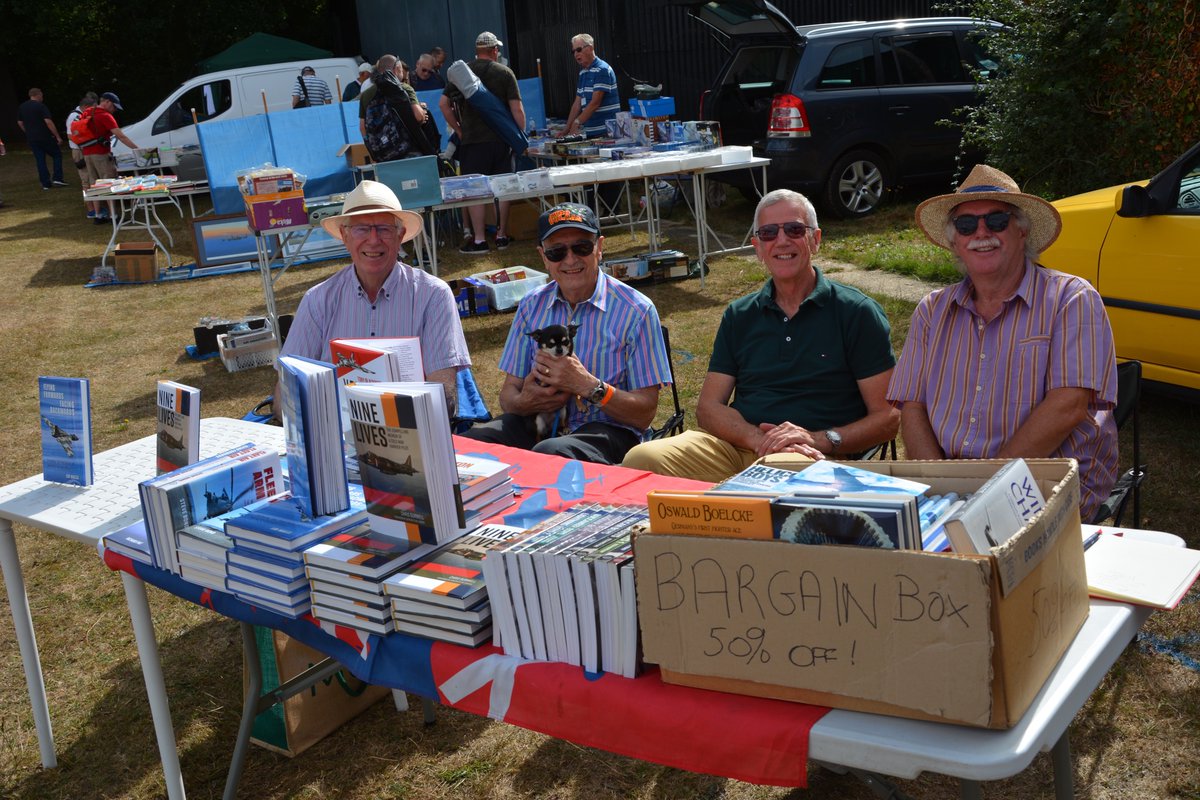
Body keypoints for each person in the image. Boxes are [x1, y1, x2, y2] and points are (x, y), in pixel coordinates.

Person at [886, 164, 1118, 521]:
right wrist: (939, 486)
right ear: (955, 242)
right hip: (952, 489)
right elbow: (912, 407)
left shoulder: (1071, 298)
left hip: (1043, 481)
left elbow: (1068, 406)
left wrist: (983, 493)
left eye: (997, 220)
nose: (982, 233)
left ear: (1022, 231)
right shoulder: (932, 310)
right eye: (966, 225)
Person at [622, 189, 900, 482]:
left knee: (779, 469)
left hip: (812, 456)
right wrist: (757, 439)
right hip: (739, 447)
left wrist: (820, 438)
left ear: (815, 240)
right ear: (757, 247)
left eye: (794, 229)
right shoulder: (740, 314)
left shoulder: (856, 312)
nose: (782, 240)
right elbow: (709, 408)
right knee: (641, 458)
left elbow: (888, 418)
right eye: (768, 233)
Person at [459, 202, 672, 465]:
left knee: (550, 455)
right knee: (468, 445)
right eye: (557, 252)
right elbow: (508, 396)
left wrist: (588, 386)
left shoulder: (636, 310)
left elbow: (644, 414)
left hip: (611, 430)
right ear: (543, 257)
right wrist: (526, 401)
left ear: (599, 248)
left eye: (582, 247)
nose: (570, 259)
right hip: (539, 422)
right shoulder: (531, 305)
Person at [277, 180, 470, 414]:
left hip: (412, 429)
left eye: (384, 228)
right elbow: (286, 390)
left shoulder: (433, 295)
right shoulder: (318, 300)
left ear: (400, 236)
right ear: (344, 236)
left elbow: (443, 391)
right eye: (361, 229)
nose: (373, 239)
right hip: (337, 434)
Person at [439, 31, 525, 254]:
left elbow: (443, 105)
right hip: (501, 141)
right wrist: (519, 135)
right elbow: (517, 109)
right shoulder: (505, 73)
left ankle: (478, 240)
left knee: (474, 191)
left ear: (477, 51)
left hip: (472, 142)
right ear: (494, 50)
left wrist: (459, 130)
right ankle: (502, 236)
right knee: (502, 188)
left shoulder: (461, 72)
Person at [358, 54, 436, 158]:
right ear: (397, 69)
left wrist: (375, 150)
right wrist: (422, 111)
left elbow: (362, 128)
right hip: (408, 152)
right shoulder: (405, 88)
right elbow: (418, 117)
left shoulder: (366, 95)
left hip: (384, 155)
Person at [80, 92, 138, 225]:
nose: (115, 110)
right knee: (108, 183)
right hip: (101, 154)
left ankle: (98, 215)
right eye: (114, 107)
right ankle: (113, 215)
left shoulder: (87, 112)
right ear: (107, 102)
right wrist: (137, 149)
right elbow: (121, 136)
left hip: (87, 153)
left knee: (94, 185)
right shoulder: (105, 116)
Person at [564, 34, 620, 138]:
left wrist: (576, 122)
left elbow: (595, 103)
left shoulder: (602, 69)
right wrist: (566, 130)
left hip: (607, 133)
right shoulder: (583, 73)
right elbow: (577, 104)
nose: (576, 54)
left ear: (590, 48)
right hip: (591, 133)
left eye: (579, 49)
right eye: (573, 51)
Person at [16, 88, 66, 190]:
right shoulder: (40, 106)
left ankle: (45, 183)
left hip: (32, 138)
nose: (42, 97)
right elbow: (48, 121)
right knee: (56, 154)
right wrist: (57, 136)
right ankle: (57, 178)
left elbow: (20, 122)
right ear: (38, 95)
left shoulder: (22, 107)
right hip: (45, 136)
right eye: (41, 95)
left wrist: (28, 131)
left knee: (40, 160)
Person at [66, 92, 102, 219]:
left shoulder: (82, 115)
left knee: (92, 178)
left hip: (86, 149)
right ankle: (91, 209)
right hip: (80, 151)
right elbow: (71, 135)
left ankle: (96, 206)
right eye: (93, 108)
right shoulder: (74, 116)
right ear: (87, 106)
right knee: (86, 180)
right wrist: (87, 144)